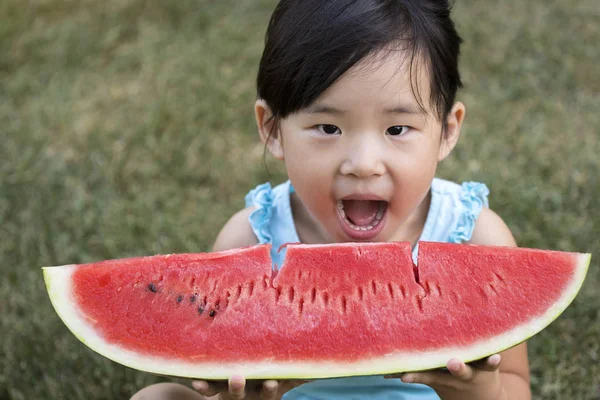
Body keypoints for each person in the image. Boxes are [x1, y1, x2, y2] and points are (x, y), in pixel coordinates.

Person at [131, 0, 531, 399]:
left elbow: (515, 385)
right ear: (272, 130)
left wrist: (479, 391)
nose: (363, 164)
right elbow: (224, 379)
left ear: (446, 131)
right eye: (328, 127)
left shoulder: (477, 238)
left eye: (396, 128)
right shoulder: (251, 238)